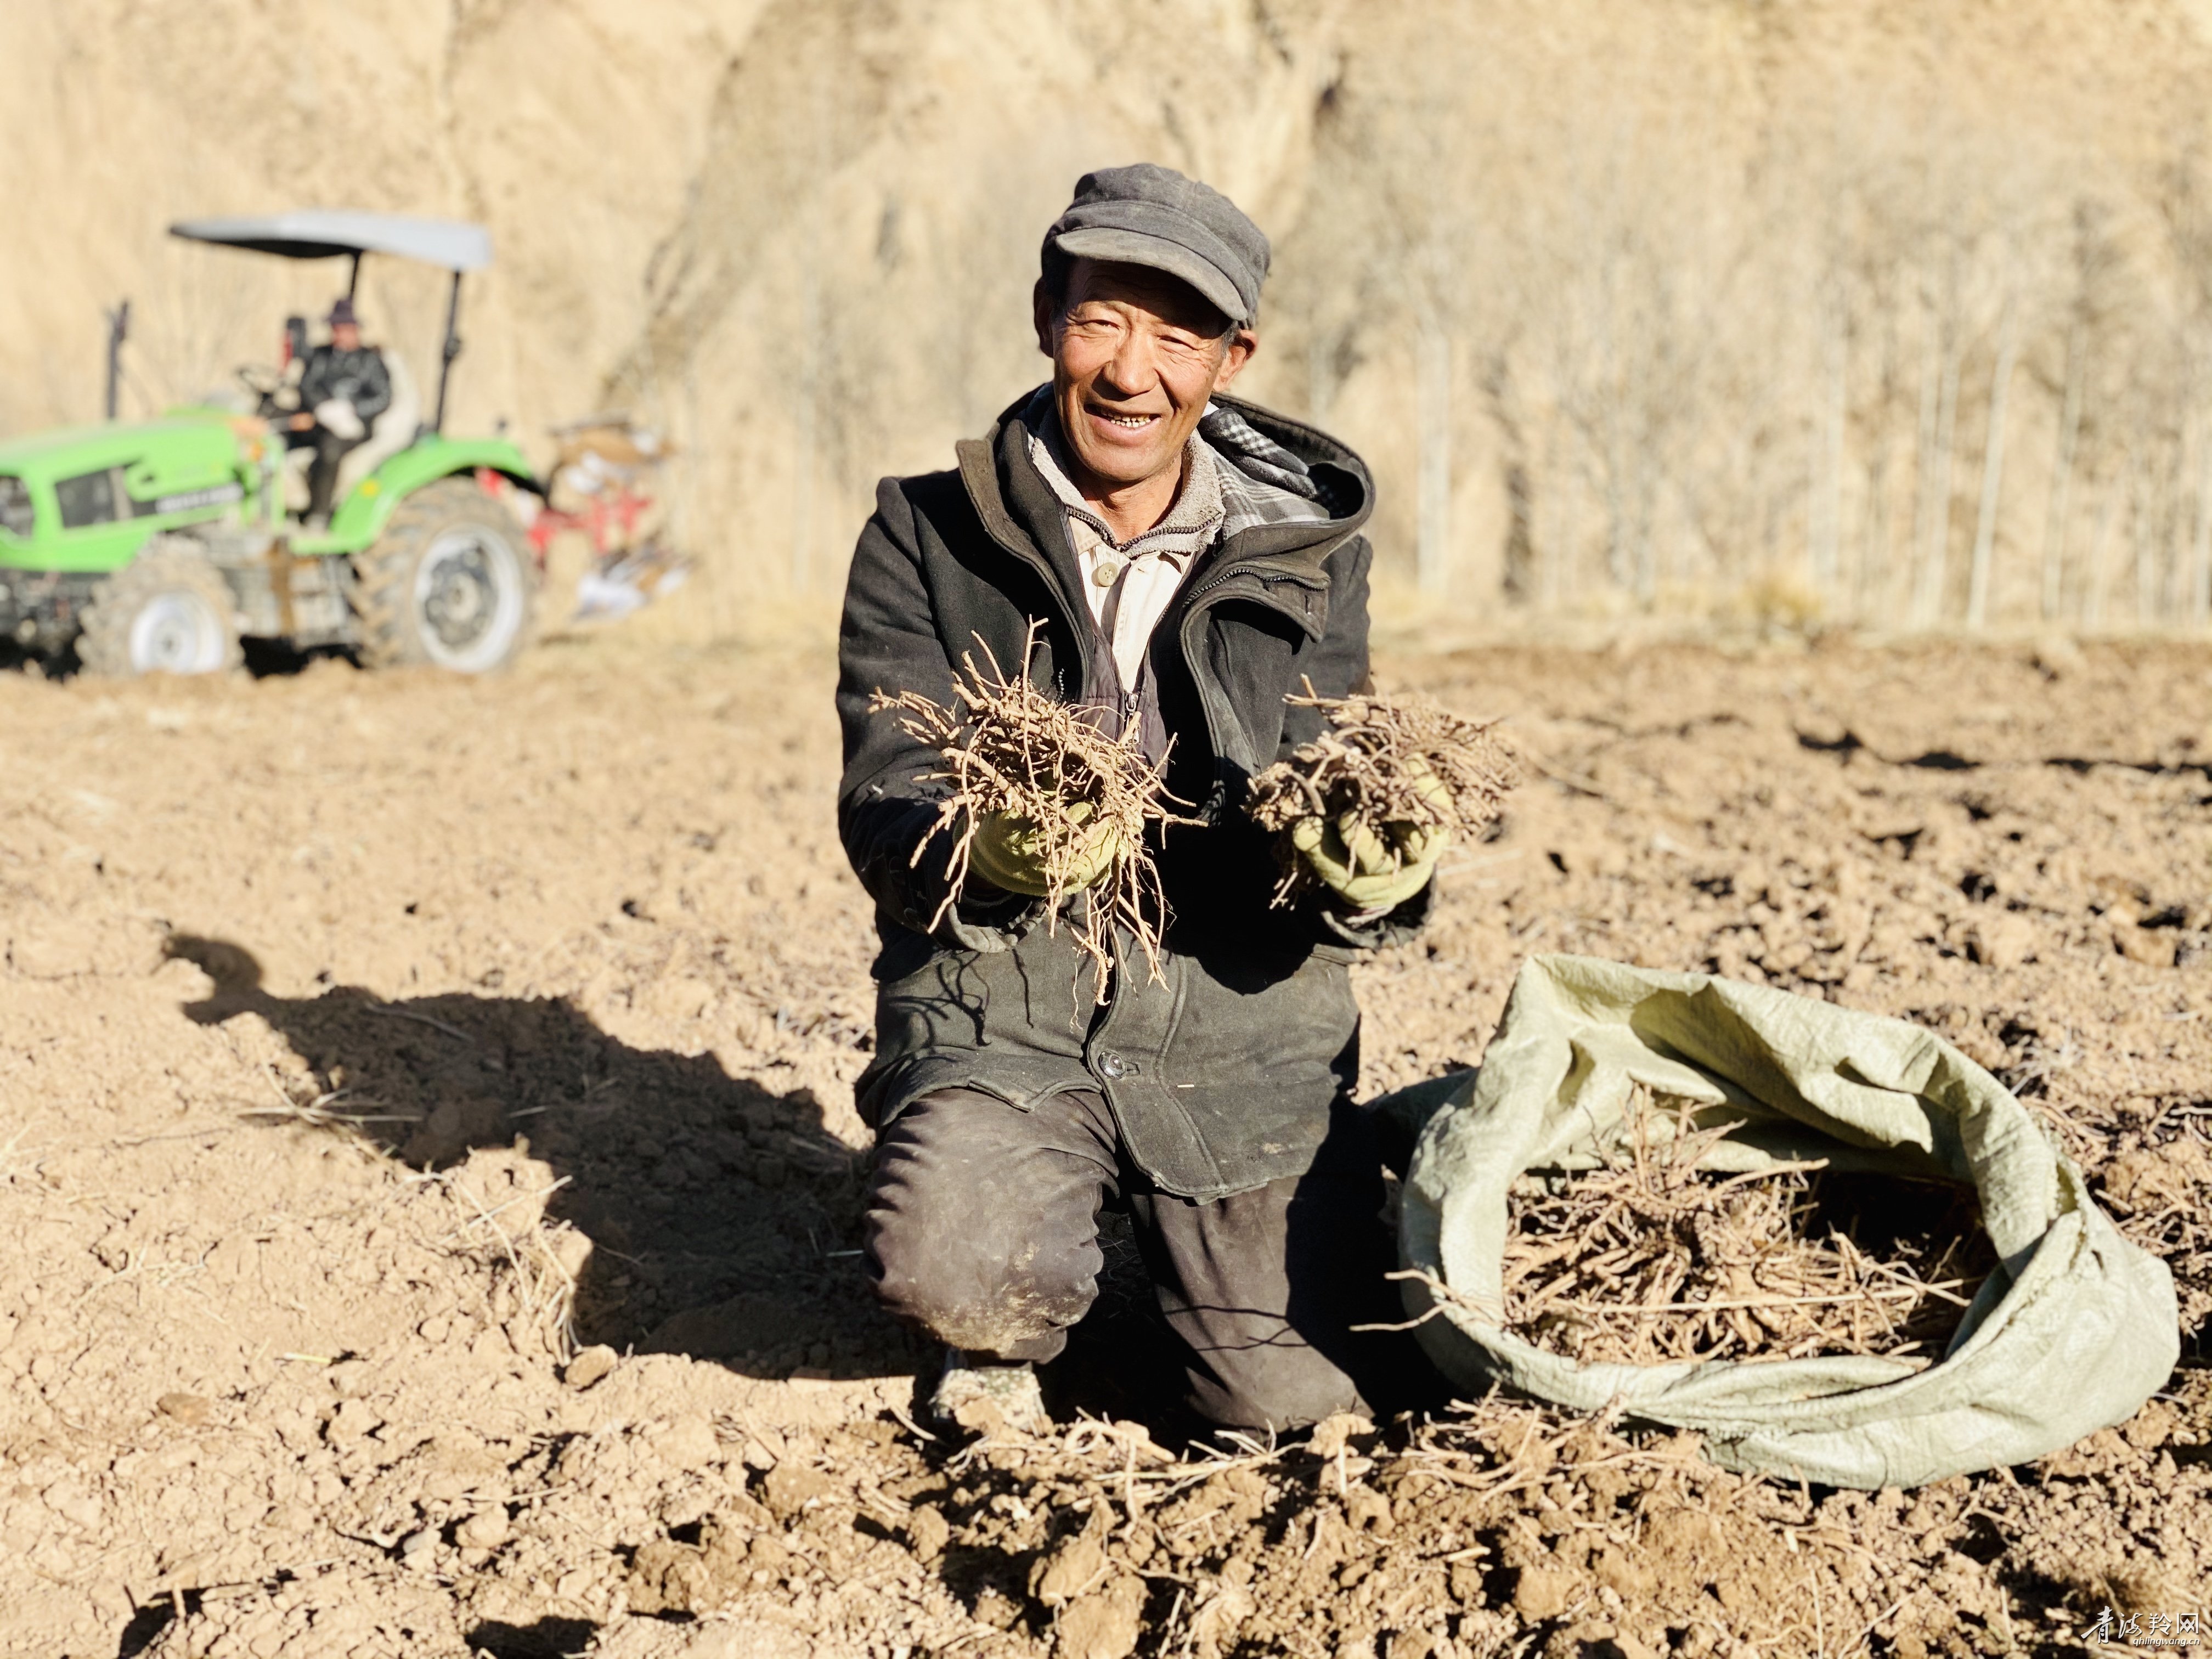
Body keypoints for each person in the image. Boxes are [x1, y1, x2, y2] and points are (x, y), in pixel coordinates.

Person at [836, 165, 1452, 1435]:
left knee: (1291, 1405)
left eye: (1176, 334)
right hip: (1006, 1003)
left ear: (1232, 359)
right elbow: (885, 798)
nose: (1132, 371)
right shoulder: (925, 534)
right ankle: (1023, 1297)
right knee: (957, 1270)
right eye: (1103, 318)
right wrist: (991, 849)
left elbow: (1329, 770)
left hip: (1239, 1027)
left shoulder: (1309, 559)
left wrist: (1365, 871)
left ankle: (1290, 1211)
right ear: (1045, 316)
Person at [288, 298, 392, 525]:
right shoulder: (321, 356)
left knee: (330, 450)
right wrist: (322, 407)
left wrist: (352, 410)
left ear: (354, 330)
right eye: (335, 329)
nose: (339, 335)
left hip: (355, 426)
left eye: (344, 329)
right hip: (319, 421)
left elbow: (383, 397)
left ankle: (320, 513)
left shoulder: (370, 361)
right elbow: (307, 385)